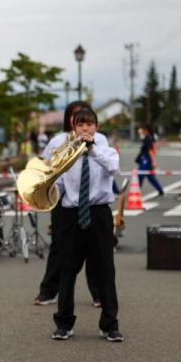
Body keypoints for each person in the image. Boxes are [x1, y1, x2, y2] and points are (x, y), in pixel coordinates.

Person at [51, 108, 123, 343]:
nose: (85, 128)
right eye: (80, 125)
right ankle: (64, 323)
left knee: (105, 270)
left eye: (89, 124)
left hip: (98, 213)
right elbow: (58, 184)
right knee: (67, 270)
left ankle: (109, 325)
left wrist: (91, 149)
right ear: (74, 128)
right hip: (71, 214)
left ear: (96, 127)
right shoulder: (65, 155)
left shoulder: (107, 151)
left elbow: (114, 169)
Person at [32, 101, 106, 308]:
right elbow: (46, 167)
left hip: (91, 203)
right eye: (76, 118)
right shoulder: (58, 140)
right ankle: (49, 291)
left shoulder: (99, 140)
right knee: (60, 248)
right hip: (64, 201)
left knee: (95, 252)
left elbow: (108, 166)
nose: (82, 124)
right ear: (70, 121)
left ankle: (99, 293)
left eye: (86, 120)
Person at [136, 124, 166, 198]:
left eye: (142, 128)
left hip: (146, 159)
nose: (141, 130)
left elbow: (150, 151)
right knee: (150, 176)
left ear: (146, 130)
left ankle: (136, 190)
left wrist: (153, 161)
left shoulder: (148, 138)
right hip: (145, 158)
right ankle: (160, 190)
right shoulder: (147, 137)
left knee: (140, 174)